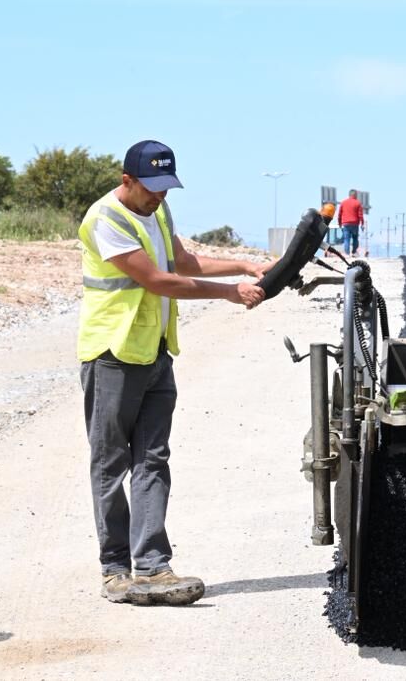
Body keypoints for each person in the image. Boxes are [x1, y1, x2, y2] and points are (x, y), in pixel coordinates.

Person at [78, 140, 269, 606]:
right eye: (151, 188)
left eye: (166, 188)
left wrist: (245, 264)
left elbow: (182, 262)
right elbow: (158, 280)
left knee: (153, 459)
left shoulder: (158, 211)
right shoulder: (106, 219)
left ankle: (153, 566)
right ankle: (115, 571)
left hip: (156, 351)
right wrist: (229, 292)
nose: (160, 196)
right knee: (111, 463)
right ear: (127, 180)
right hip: (113, 353)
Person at [336, 190, 364, 255]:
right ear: (355, 195)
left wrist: (339, 223)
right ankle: (354, 252)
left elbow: (339, 214)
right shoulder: (358, 203)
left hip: (346, 224)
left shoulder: (343, 203)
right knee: (355, 238)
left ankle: (347, 253)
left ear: (349, 195)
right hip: (355, 224)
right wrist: (362, 223)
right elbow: (360, 215)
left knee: (346, 239)